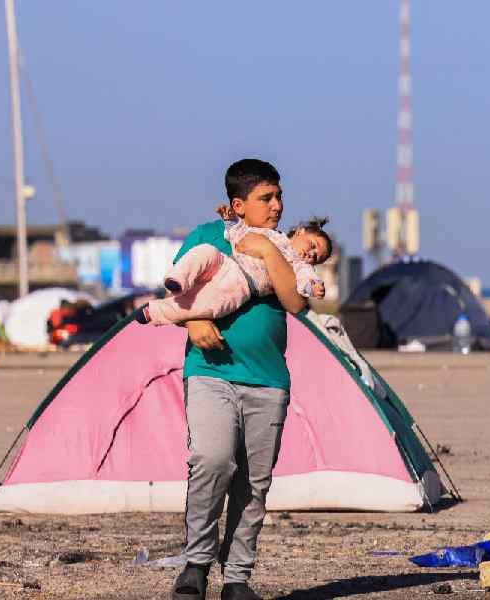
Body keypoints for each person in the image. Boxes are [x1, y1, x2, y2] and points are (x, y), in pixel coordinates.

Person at [170, 159, 306, 600]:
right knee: (211, 461)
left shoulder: (283, 246)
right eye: (266, 198)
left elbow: (296, 303)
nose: (277, 206)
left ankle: (237, 578)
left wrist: (267, 250)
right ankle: (196, 563)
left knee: (254, 482)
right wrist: (193, 325)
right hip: (211, 373)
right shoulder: (206, 237)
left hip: (268, 380)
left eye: (279, 196)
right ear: (238, 204)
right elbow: (177, 291)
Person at [135, 206, 331, 326]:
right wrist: (229, 222)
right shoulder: (271, 234)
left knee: (206, 305)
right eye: (313, 246)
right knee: (205, 251)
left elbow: (305, 282)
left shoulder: (298, 265)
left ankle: (155, 312)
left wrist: (313, 287)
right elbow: (239, 234)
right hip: (227, 263)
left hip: (242, 286)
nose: (311, 255)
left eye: (317, 258)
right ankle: (177, 279)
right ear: (301, 231)